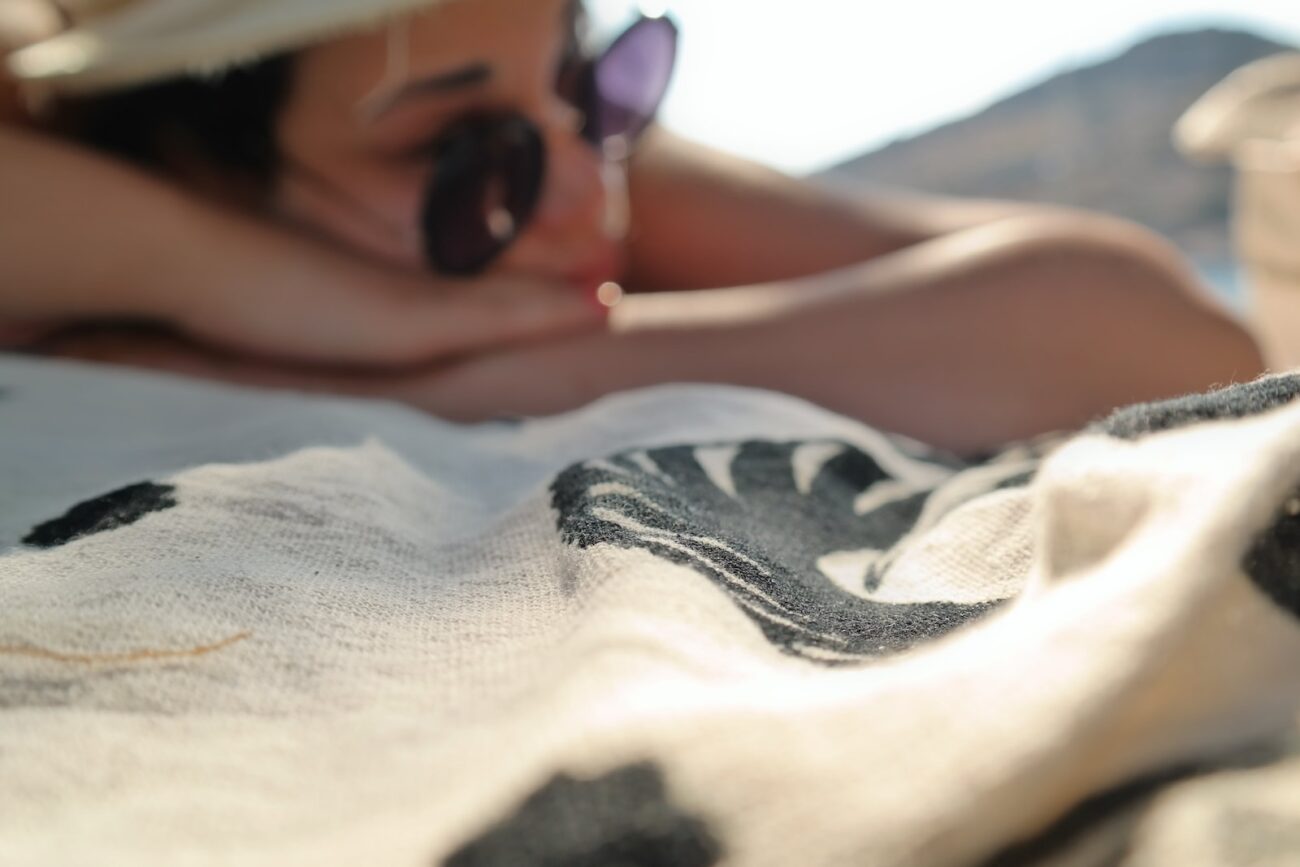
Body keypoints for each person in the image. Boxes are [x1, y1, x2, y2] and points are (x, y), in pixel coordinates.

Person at [0, 0, 1266, 454]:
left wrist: (473, 364)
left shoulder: (573, 160)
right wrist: (254, 284)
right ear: (181, 162)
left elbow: (1157, 332)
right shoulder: (75, 133)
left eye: (593, 79)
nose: (581, 193)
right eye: (455, 152)